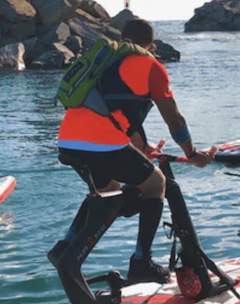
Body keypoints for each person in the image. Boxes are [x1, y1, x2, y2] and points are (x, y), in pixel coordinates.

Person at [57, 17, 213, 285]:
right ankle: (142, 263)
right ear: (150, 46)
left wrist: (142, 148)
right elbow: (173, 117)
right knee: (156, 184)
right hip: (102, 144)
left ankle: (67, 246)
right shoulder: (150, 65)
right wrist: (191, 152)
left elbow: (115, 111)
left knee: (109, 195)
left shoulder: (104, 61)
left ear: (122, 37)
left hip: (69, 141)